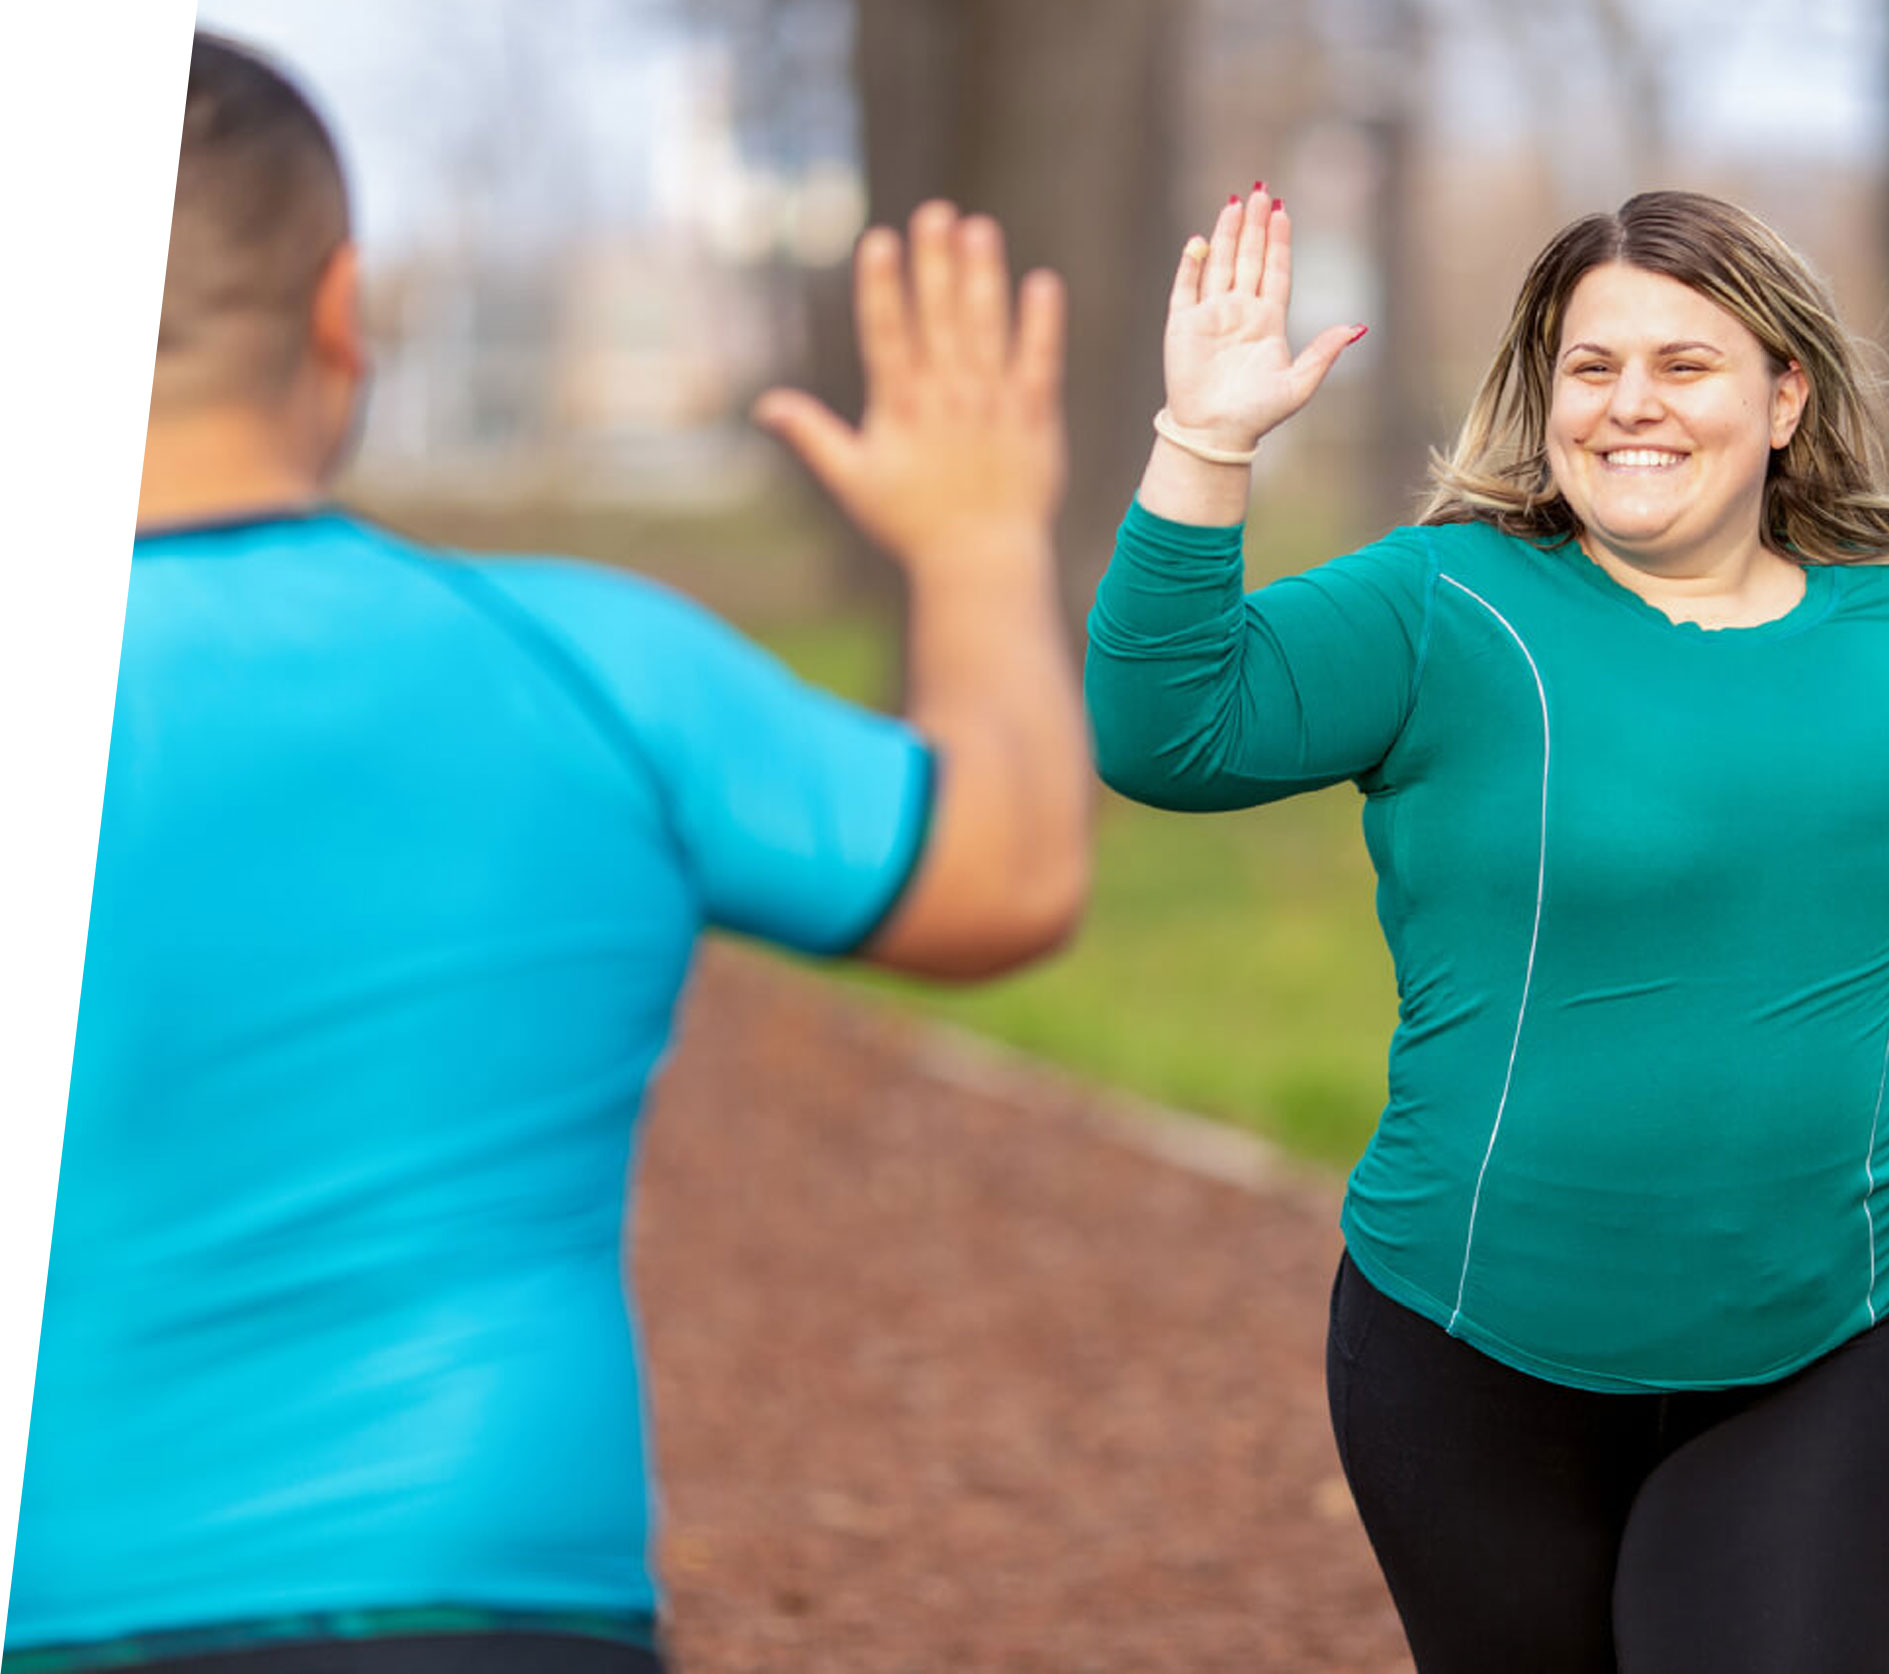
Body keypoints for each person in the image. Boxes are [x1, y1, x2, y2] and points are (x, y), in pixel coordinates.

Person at [6, 31, 1090, 1674]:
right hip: (488, 1604)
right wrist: (980, 542)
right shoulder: (592, 666)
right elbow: (1003, 872)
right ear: (339, 310)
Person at [1086, 184, 1889, 1673]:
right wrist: (1203, 440)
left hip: (1836, 1336)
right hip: (1471, 1345)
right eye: (1592, 367)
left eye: (1685, 363)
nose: (1630, 404)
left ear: (1784, 395)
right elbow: (1168, 734)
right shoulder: (1443, 606)